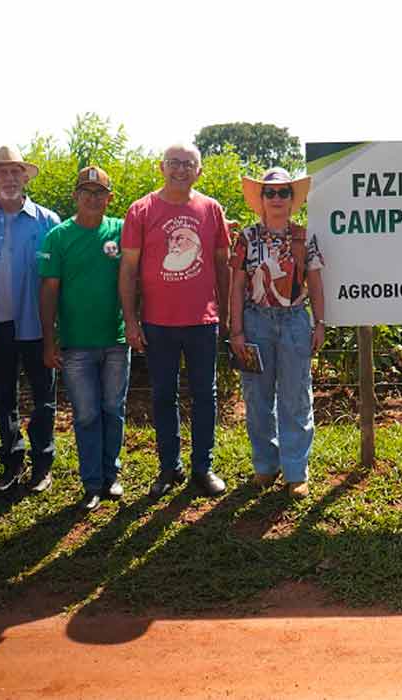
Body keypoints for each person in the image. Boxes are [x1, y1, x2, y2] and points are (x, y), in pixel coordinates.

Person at [119, 144, 232, 499]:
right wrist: (131, 321)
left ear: (199, 171)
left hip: (202, 321)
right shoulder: (141, 209)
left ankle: (203, 466)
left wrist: (227, 315)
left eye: (188, 164)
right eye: (174, 163)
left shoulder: (211, 209)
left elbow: (222, 265)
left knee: (205, 395)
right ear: (161, 167)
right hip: (158, 322)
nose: (180, 170)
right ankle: (169, 466)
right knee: (163, 395)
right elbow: (128, 270)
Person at [0, 146, 61, 494]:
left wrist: (57, 330)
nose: (9, 178)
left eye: (15, 171)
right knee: (3, 396)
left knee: (43, 396)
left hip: (36, 324)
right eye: (1, 172)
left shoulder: (48, 221)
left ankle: (43, 463)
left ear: (25, 177)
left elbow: (57, 279)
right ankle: (12, 462)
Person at [228, 168, 326, 498]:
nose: (277, 198)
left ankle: (296, 471)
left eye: (284, 192)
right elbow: (237, 285)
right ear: (261, 199)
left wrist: (320, 323)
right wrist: (236, 330)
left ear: (292, 198)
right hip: (256, 321)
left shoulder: (303, 236)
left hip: (296, 320)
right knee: (256, 396)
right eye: (270, 193)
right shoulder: (247, 237)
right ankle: (266, 466)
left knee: (295, 396)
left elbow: (315, 281)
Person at [40, 167, 129, 511]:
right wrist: (49, 341)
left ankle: (111, 475)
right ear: (75, 196)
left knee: (113, 410)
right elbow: (48, 292)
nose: (93, 198)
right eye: (86, 192)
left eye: (99, 192)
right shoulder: (58, 237)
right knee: (87, 415)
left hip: (116, 340)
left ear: (109, 198)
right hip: (76, 344)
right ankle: (91, 483)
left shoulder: (121, 231)